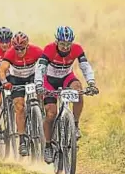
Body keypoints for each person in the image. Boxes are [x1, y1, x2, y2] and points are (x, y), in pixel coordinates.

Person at [34, 26, 99, 163]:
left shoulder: (77, 49)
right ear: (57, 42)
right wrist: (39, 84)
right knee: (51, 113)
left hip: (67, 78)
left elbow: (85, 66)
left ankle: (74, 125)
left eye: (68, 44)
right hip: (49, 81)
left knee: (78, 90)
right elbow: (40, 68)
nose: (65, 47)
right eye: (62, 44)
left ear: (72, 43)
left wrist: (91, 83)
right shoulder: (49, 49)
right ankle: (48, 146)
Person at [0, 31, 43, 156]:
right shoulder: (10, 53)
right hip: (16, 80)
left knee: (43, 93)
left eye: (22, 49)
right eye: (16, 49)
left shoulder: (36, 51)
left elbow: (47, 62)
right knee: (19, 106)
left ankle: (41, 115)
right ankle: (22, 140)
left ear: (27, 45)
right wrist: (4, 82)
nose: (19, 51)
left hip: (32, 77)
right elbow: (2, 70)